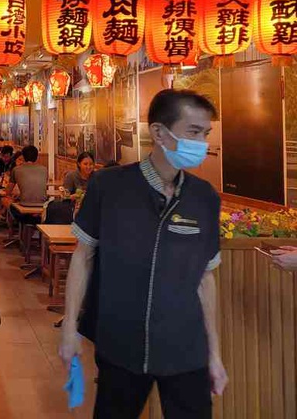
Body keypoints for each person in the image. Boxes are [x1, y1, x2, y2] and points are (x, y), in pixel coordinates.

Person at [59, 89, 227, 419]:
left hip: (186, 348)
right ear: (159, 133)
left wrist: (215, 354)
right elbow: (83, 258)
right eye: (193, 132)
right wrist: (69, 330)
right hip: (121, 344)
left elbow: (205, 279)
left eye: (206, 133)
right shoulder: (109, 187)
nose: (202, 143)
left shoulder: (204, 198)